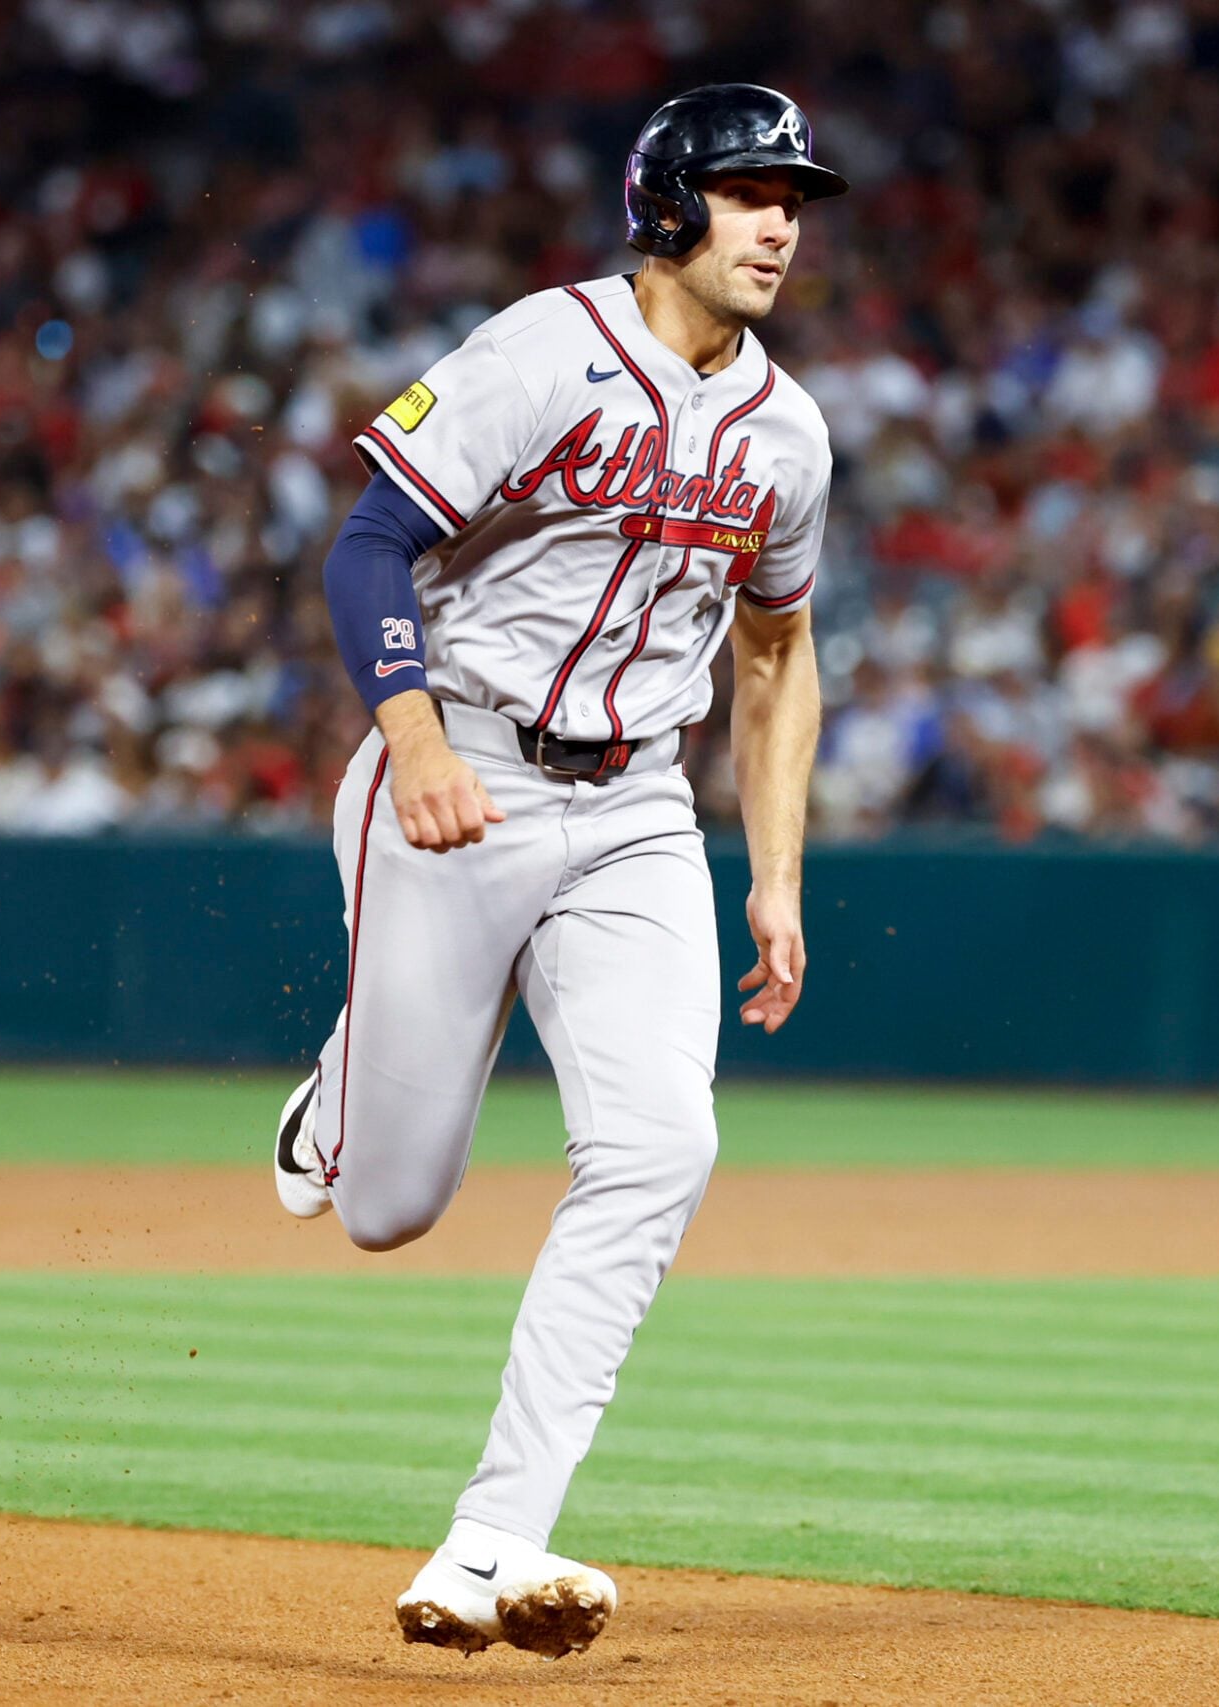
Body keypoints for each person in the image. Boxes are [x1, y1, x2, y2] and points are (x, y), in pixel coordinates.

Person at [271, 83, 838, 1657]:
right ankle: (344, 1083)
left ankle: (490, 1538)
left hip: (641, 809)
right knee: (389, 1206)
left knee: (662, 1148)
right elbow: (367, 547)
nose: (782, 220)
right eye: (747, 190)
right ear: (668, 206)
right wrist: (420, 741)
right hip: (461, 772)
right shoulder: (544, 350)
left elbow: (781, 655)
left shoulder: (788, 436)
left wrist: (776, 876)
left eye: (795, 195)